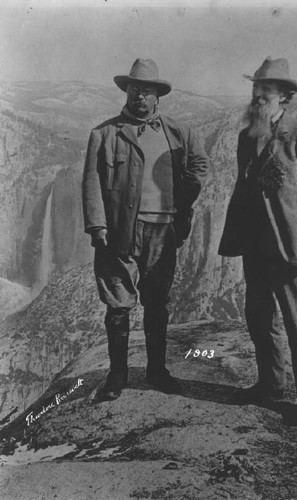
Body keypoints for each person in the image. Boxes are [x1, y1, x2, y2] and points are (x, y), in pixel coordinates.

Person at [82, 58, 208, 400]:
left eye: (147, 91)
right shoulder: (104, 134)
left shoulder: (177, 132)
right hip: (120, 230)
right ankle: (118, 375)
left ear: (157, 97)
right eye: (135, 90)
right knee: (118, 303)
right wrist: (97, 225)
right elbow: (92, 181)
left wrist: (186, 195)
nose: (140, 96)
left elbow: (199, 163)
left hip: (164, 229)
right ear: (127, 92)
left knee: (157, 302)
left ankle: (156, 371)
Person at [219, 57, 297, 425]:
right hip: (255, 244)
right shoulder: (247, 135)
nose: (258, 96)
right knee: (258, 315)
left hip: (287, 247)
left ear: (284, 96)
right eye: (256, 89)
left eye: (265, 91)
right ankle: (271, 383)